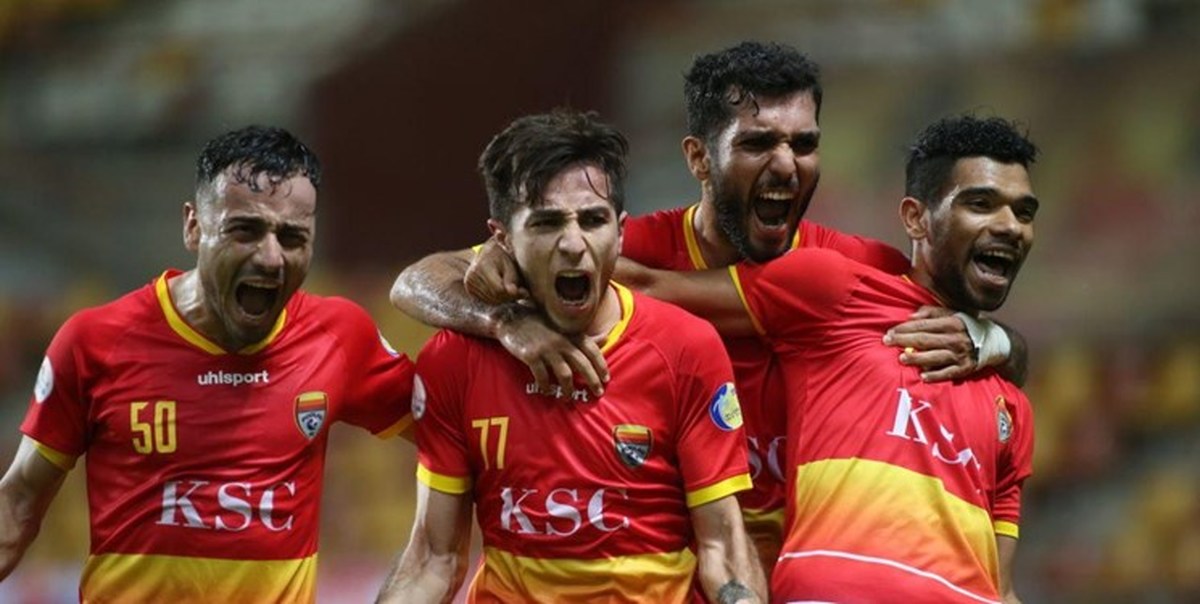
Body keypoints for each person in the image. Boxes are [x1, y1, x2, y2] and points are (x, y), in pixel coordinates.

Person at [389, 40, 1027, 572]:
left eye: (804, 144)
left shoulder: (860, 270)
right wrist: (507, 321)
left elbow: (990, 358)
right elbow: (420, 280)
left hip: (797, 575)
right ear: (698, 157)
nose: (786, 165)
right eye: (757, 144)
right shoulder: (611, 246)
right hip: (675, 568)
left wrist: (995, 341)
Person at [618, 114, 1038, 603]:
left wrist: (1001, 342)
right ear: (916, 218)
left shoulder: (1012, 408)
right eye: (981, 204)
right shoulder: (835, 291)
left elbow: (1001, 588)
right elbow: (650, 290)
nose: (1010, 227)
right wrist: (536, 296)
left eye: (1024, 212)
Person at [0, 126, 415, 603]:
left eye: (292, 237)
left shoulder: (340, 336)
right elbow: (18, 502)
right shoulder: (95, 342)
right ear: (193, 226)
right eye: (246, 230)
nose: (271, 258)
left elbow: (455, 441)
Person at [376, 109, 765, 603]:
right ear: (500, 239)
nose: (573, 244)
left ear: (620, 232)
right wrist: (504, 323)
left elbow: (722, 550)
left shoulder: (686, 348)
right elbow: (434, 559)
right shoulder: (454, 361)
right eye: (547, 222)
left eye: (593, 220)